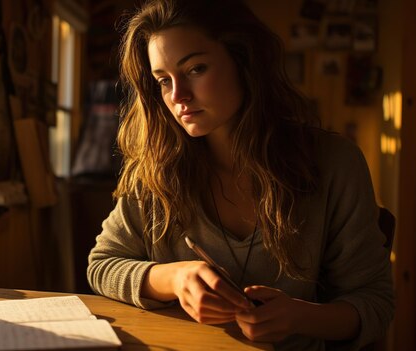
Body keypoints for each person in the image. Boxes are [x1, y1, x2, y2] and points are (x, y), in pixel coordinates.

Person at [86, 1, 394, 350]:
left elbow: (376, 304)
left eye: (196, 69)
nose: (178, 96)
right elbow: (102, 265)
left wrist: (299, 317)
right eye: (163, 80)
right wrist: (173, 277)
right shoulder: (157, 167)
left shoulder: (334, 163)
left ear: (243, 61)